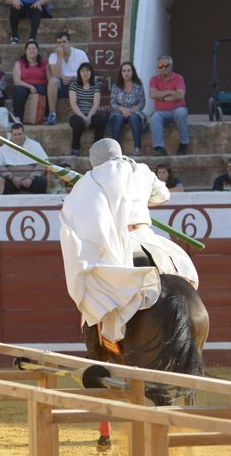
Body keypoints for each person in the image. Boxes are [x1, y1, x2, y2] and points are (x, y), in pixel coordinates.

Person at [59, 138, 198, 348]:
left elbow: (78, 214)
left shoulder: (90, 180)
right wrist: (139, 198)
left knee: (92, 286)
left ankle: (101, 346)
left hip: (120, 242)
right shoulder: (141, 170)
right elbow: (163, 195)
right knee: (182, 270)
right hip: (150, 240)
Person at [148, 55, 189, 156]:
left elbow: (180, 95)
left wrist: (162, 97)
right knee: (154, 117)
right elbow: (152, 95)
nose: (163, 68)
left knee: (181, 113)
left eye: (166, 65)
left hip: (177, 109)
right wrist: (170, 92)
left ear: (171, 66)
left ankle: (184, 143)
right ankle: (159, 148)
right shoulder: (154, 79)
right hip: (161, 112)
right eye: (160, 66)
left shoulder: (179, 78)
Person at [47, 30, 90, 125]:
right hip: (62, 84)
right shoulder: (53, 56)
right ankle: (52, 114)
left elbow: (87, 72)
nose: (62, 45)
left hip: (77, 83)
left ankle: (82, 113)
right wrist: (60, 57)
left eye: (64, 42)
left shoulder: (80, 54)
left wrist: (73, 77)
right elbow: (55, 74)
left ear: (69, 42)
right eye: (59, 43)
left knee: (84, 81)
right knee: (53, 81)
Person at [0, 122, 48, 194]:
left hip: (31, 179)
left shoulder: (34, 145)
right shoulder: (4, 148)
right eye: (15, 135)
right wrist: (12, 178)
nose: (18, 137)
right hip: (12, 180)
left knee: (42, 182)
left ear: (24, 133)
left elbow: (42, 163)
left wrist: (30, 178)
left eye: (20, 134)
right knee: (3, 184)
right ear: (11, 135)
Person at [108, 61, 146, 154]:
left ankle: (137, 148)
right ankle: (115, 150)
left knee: (134, 118)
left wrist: (131, 110)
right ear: (121, 73)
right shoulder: (116, 86)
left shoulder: (138, 85)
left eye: (129, 70)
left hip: (134, 111)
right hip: (119, 111)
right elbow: (113, 102)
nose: (126, 73)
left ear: (133, 72)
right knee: (118, 118)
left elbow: (142, 103)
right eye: (124, 71)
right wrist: (122, 109)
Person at [68, 62, 106, 157]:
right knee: (78, 123)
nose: (85, 73)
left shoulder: (96, 85)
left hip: (91, 114)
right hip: (77, 114)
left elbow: (96, 104)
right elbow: (73, 104)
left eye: (87, 70)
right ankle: (75, 148)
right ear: (79, 73)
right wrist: (83, 118)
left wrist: (89, 117)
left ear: (91, 72)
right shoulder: (74, 84)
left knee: (101, 120)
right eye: (82, 71)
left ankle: (96, 148)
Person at [11, 40, 49, 124]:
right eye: (29, 49)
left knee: (43, 90)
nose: (32, 50)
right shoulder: (19, 63)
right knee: (20, 91)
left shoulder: (44, 62)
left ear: (38, 51)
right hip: (24, 85)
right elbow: (16, 81)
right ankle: (18, 117)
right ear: (26, 51)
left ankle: (44, 116)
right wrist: (30, 86)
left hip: (41, 85)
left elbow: (49, 78)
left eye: (34, 48)